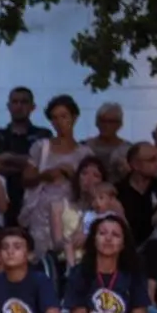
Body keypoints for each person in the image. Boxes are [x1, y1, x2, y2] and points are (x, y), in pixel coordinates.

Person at [19, 95, 93, 260]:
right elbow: (26, 178)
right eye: (54, 118)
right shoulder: (42, 147)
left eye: (64, 116)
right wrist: (44, 175)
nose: (59, 122)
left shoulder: (84, 152)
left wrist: (72, 176)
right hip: (42, 212)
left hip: (72, 211)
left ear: (74, 118)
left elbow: (92, 185)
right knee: (43, 256)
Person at [0, 87, 52, 227]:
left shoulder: (42, 135)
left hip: (34, 200)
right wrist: (27, 164)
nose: (19, 106)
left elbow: (43, 163)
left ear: (32, 107)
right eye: (15, 102)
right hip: (2, 200)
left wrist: (9, 157)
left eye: (24, 102)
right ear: (8, 106)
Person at [85, 102, 132, 179]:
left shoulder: (129, 150)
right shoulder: (85, 147)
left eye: (111, 122)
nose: (106, 125)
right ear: (96, 122)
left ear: (119, 124)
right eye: (102, 121)